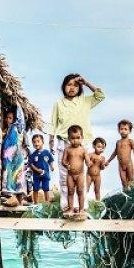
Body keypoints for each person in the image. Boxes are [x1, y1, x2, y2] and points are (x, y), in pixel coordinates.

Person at [49, 74, 105, 210]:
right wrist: (51, 139)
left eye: (75, 85)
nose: (72, 87)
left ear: (80, 87)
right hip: (64, 143)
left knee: (80, 175)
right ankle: (66, 205)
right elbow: (53, 123)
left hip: (82, 145)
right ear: (63, 87)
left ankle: (81, 206)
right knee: (64, 176)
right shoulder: (58, 103)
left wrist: (86, 82)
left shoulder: (85, 101)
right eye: (69, 84)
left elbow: (100, 95)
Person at [1, 106, 28, 206]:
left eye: (10, 118)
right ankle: (13, 198)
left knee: (15, 175)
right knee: (10, 174)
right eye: (6, 117)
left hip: (14, 156)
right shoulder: (6, 130)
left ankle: (16, 199)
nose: (7, 120)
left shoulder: (16, 128)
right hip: (9, 156)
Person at [61, 125, 88, 219]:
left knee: (80, 191)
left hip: (80, 174)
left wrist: (89, 163)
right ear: (68, 138)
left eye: (78, 138)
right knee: (70, 191)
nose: (75, 140)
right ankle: (71, 208)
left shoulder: (83, 150)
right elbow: (63, 160)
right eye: (72, 138)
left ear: (82, 138)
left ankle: (81, 209)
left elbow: (87, 160)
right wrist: (65, 165)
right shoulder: (67, 149)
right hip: (70, 175)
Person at [106, 119, 134, 191]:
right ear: (118, 130)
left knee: (131, 181)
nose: (123, 131)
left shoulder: (130, 141)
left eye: (125, 129)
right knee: (124, 182)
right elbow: (115, 153)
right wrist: (108, 161)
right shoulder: (118, 142)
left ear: (129, 131)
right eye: (121, 129)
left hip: (129, 164)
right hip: (121, 166)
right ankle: (126, 196)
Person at [28, 133, 55, 204]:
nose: (36, 143)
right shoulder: (33, 155)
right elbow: (31, 164)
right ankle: (35, 203)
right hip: (36, 176)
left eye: (38, 141)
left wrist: (51, 166)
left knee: (46, 188)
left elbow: (50, 160)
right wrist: (37, 170)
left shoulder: (46, 152)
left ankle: (47, 203)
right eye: (34, 142)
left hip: (45, 175)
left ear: (42, 142)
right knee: (35, 189)